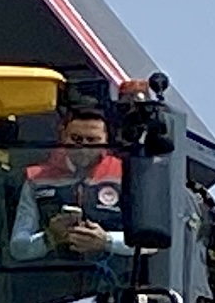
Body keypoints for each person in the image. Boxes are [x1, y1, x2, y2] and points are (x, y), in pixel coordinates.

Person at [9, 103, 130, 262]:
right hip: (50, 277)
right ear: (63, 136)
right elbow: (18, 248)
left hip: (117, 279)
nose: (83, 147)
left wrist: (106, 241)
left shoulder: (127, 175)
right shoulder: (37, 179)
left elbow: (150, 243)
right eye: (76, 139)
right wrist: (50, 237)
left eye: (92, 140)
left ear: (107, 140)